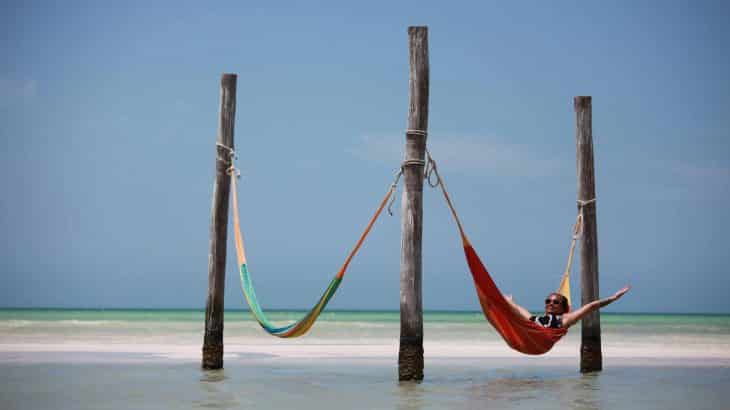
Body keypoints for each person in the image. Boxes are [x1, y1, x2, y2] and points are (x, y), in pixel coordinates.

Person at [505, 286, 631, 329]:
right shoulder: (536, 320)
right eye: (548, 301)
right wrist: (510, 301)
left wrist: (613, 298)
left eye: (555, 302)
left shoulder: (564, 320)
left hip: (540, 342)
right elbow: (520, 311)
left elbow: (591, 306)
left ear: (563, 308)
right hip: (528, 337)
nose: (550, 304)